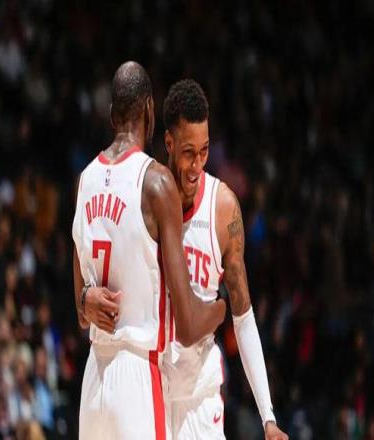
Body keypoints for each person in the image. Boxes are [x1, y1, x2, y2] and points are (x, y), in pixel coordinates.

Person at [72, 62, 226, 440]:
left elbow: (81, 309)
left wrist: (86, 299)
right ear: (149, 110)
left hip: (94, 381)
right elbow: (187, 326)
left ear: (112, 115)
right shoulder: (156, 182)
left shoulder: (85, 180)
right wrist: (223, 305)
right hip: (137, 378)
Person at [160, 79, 287, 439]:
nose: (197, 164)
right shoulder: (148, 198)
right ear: (169, 144)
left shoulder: (223, 208)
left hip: (200, 398)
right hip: (152, 390)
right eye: (188, 152)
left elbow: (243, 317)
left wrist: (268, 417)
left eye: (204, 151)